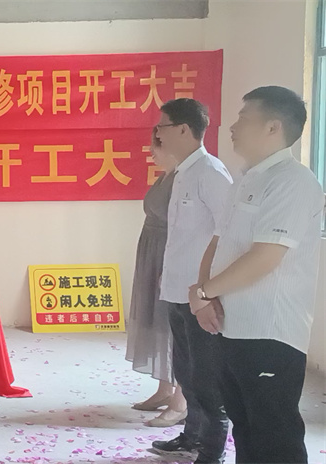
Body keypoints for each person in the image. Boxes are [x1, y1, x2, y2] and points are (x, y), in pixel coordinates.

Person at [190, 86, 324, 464]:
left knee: (274, 435)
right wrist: (204, 295)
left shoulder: (293, 181)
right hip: (232, 326)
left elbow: (265, 257)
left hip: (270, 332)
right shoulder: (247, 178)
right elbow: (219, 241)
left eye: (243, 118)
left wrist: (204, 292)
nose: (232, 127)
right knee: (246, 427)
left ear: (273, 127)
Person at [149, 98, 232, 463]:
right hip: (177, 288)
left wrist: (209, 291)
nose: (158, 134)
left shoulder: (211, 173)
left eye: (162, 126)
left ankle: (212, 448)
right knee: (185, 370)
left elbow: (228, 233)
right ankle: (192, 435)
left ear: (184, 129)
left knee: (206, 375)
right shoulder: (182, 172)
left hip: (199, 293)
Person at [125, 132, 188, 428]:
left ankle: (181, 400)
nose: (151, 152)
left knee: (175, 325)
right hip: (152, 250)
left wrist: (173, 265)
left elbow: (186, 228)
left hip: (167, 252)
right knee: (157, 321)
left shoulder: (185, 177)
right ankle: (164, 388)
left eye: (156, 147)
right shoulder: (166, 176)